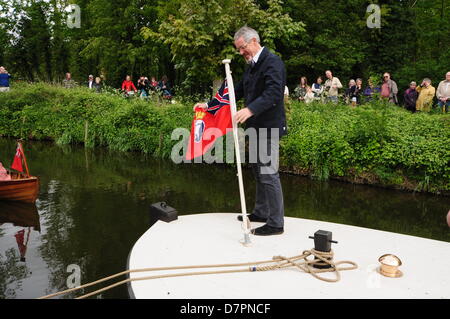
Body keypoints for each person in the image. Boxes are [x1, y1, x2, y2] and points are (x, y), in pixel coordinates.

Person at [194, 26, 287, 236]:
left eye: (242, 48)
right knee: (257, 171)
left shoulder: (273, 62)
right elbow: (236, 91)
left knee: (269, 173)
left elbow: (274, 93)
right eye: (238, 50)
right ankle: (261, 212)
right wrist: (210, 106)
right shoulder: (251, 66)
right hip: (255, 127)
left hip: (269, 127)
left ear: (254, 41)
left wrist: (250, 109)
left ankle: (276, 223)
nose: (241, 53)